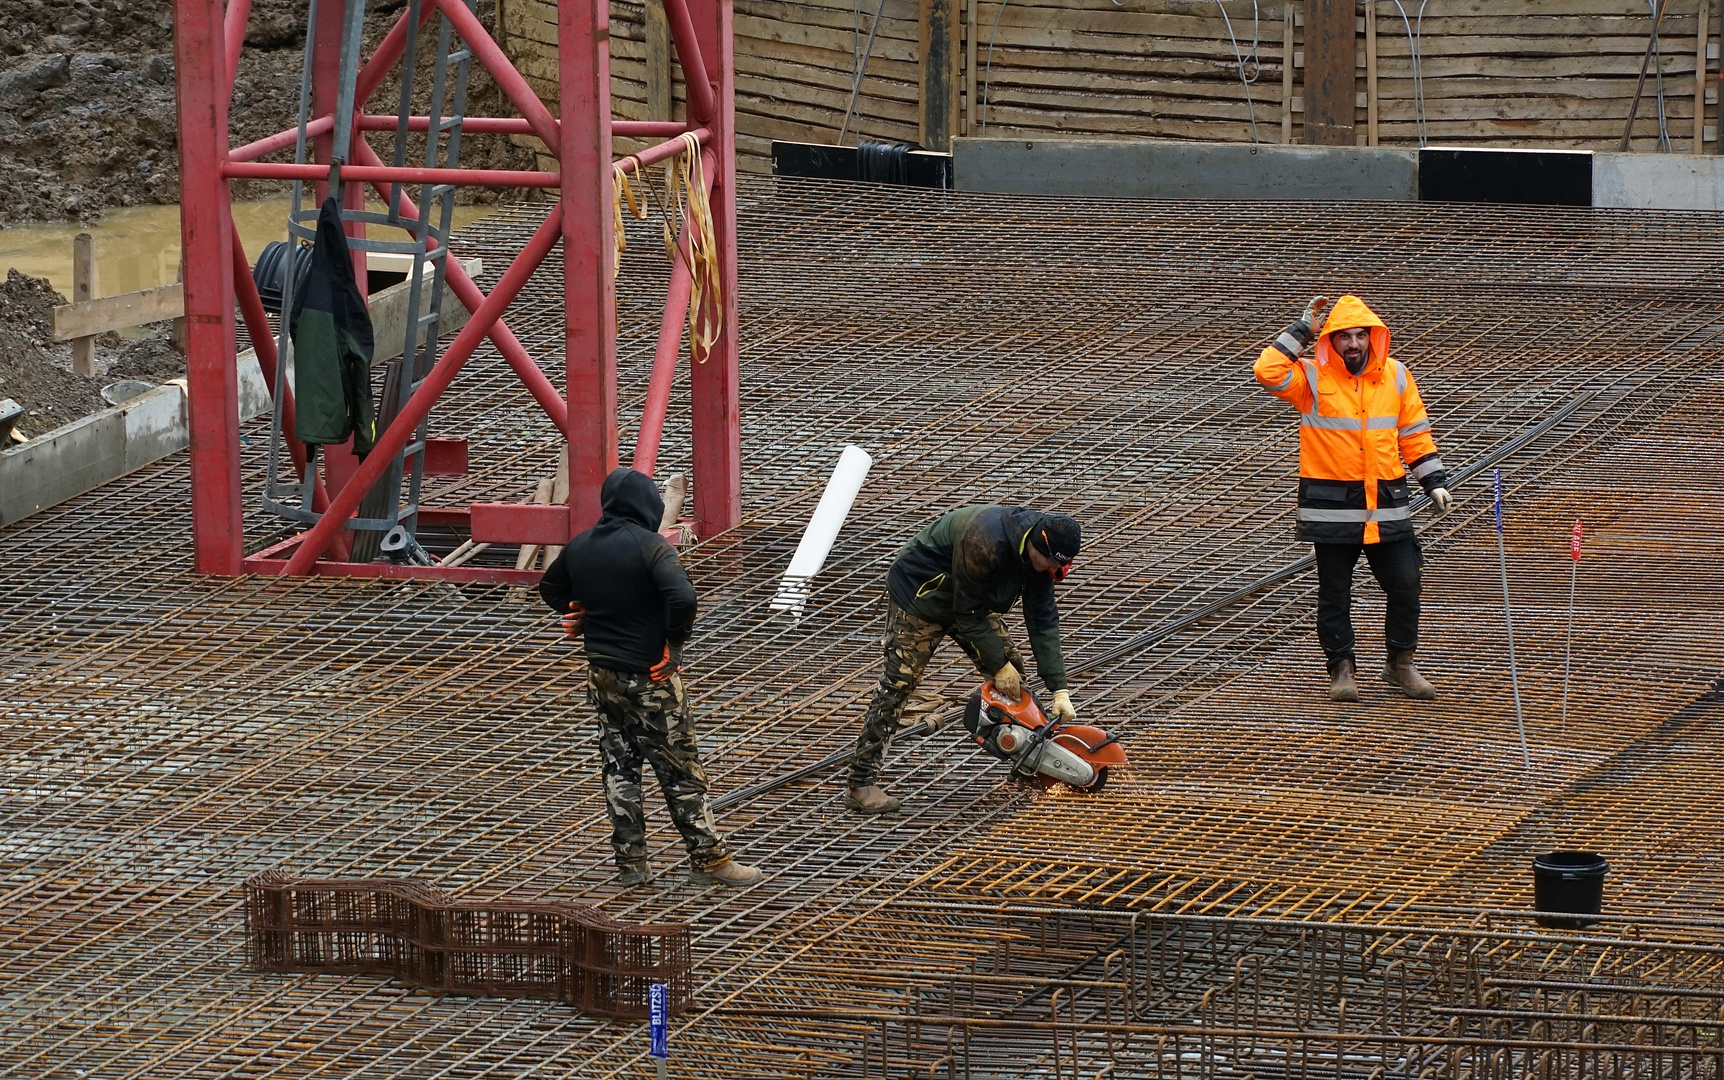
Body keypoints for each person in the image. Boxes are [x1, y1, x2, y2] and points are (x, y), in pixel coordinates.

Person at [539, 467, 760, 888]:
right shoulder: (652, 546)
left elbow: (551, 589)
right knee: (681, 770)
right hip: (650, 678)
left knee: (620, 768)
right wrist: (673, 647)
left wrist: (581, 612)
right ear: (647, 506)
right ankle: (710, 860)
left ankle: (632, 866)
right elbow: (683, 597)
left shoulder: (581, 545)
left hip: (602, 674)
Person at [1253, 294, 1454, 703]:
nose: (1354, 344)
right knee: (1335, 591)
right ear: (1331, 341)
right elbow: (1267, 371)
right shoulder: (1311, 379)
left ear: (1373, 338)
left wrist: (1432, 481)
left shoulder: (1396, 376)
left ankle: (1401, 663)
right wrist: (1303, 330)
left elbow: (1414, 435)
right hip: (1332, 506)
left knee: (1405, 581)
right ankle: (1341, 668)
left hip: (1387, 502)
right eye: (1344, 337)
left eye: (1361, 335)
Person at [845, 506, 1081, 814]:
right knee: (898, 685)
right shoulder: (986, 540)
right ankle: (861, 783)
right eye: (1047, 563)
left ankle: (1033, 761)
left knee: (1014, 680)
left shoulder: (1039, 558)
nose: (1049, 570)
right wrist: (997, 666)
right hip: (920, 596)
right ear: (1039, 544)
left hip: (970, 599)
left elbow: (1042, 620)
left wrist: (1059, 688)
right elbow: (967, 616)